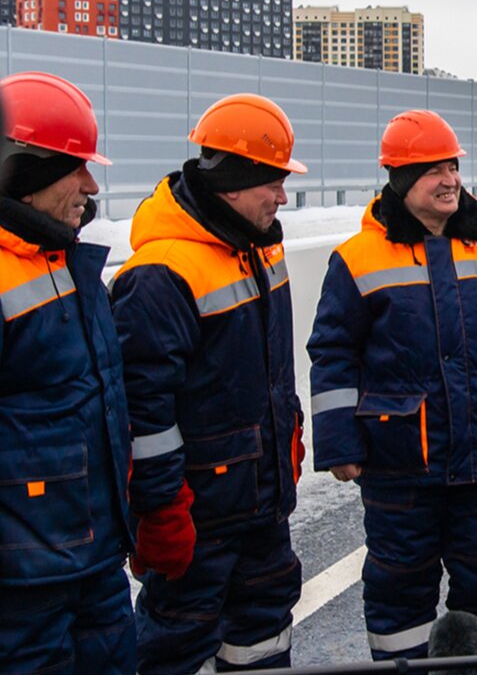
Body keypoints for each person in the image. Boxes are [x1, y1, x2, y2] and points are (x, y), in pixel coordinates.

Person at [307, 109, 477, 672]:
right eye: (432, 170)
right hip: (399, 466)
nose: (449, 179)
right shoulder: (357, 259)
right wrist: (339, 444)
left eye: (452, 166)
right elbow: (332, 353)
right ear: (400, 180)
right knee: (400, 590)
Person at [110, 93, 306, 672]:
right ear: (237, 182)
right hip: (199, 521)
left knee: (264, 638)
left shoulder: (257, 250)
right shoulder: (161, 275)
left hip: (261, 506)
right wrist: (161, 510)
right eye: (273, 180)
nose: (282, 195)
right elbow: (143, 415)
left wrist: (284, 437)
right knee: (175, 646)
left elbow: (268, 371)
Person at [0, 72, 136, 674]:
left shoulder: (70, 264)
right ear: (23, 174)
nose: (90, 184)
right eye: (74, 166)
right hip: (23, 580)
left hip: (95, 557)